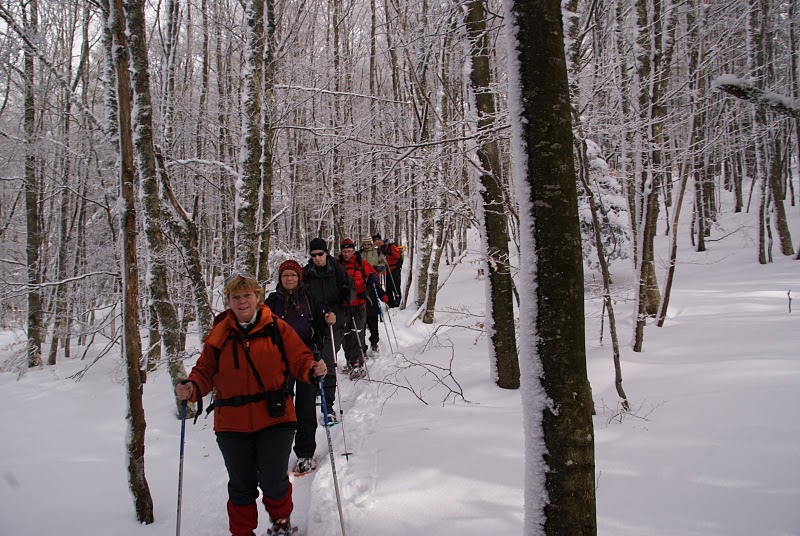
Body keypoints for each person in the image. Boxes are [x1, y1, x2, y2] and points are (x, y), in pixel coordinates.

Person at [176, 272, 327, 536]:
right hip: (231, 422)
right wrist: (192, 387)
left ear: (258, 297)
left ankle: (281, 522)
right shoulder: (220, 333)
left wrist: (312, 369)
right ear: (229, 301)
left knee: (273, 480)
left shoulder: (276, 327)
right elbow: (204, 370)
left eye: (247, 295)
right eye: (236, 297)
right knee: (241, 485)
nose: (242, 301)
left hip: (275, 417)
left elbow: (300, 358)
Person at [265, 260, 333, 476]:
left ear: (299, 277)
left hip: (307, 359)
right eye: (285, 275)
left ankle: (305, 452)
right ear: (280, 278)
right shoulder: (272, 301)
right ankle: (278, 455)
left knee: (304, 407)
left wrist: (328, 319)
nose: (289, 279)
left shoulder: (308, 297)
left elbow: (322, 320)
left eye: (293, 275)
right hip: (280, 361)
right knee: (281, 410)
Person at [302, 238, 354, 423]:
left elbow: (351, 290)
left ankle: (328, 404)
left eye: (320, 254)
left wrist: (348, 293)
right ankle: (320, 394)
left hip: (335, 320)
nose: (317, 258)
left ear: (326, 253)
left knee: (329, 359)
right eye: (313, 255)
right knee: (316, 360)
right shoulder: (306, 272)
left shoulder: (337, 270)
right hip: (314, 321)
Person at [338, 237, 388, 379]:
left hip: (359, 303)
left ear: (354, 251)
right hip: (343, 305)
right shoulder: (337, 265)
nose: (347, 254)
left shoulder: (361, 263)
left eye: (349, 251)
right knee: (345, 334)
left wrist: (373, 279)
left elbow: (372, 275)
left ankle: (357, 363)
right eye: (344, 251)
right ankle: (349, 361)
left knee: (357, 332)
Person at [359, 236, 388, 353]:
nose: (366, 246)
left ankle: (374, 341)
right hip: (361, 285)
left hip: (374, 282)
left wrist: (377, 268)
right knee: (363, 314)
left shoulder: (377, 252)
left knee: (373, 313)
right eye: (364, 244)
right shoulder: (359, 254)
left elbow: (384, 263)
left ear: (371, 244)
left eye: (368, 244)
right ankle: (362, 344)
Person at [373, 233, 402, 308]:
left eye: (378, 242)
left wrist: (388, 252)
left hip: (394, 269)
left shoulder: (391, 246)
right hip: (385, 271)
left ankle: (398, 300)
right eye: (376, 243)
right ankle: (390, 302)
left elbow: (397, 255)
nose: (378, 244)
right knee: (388, 288)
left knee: (396, 285)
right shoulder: (377, 251)